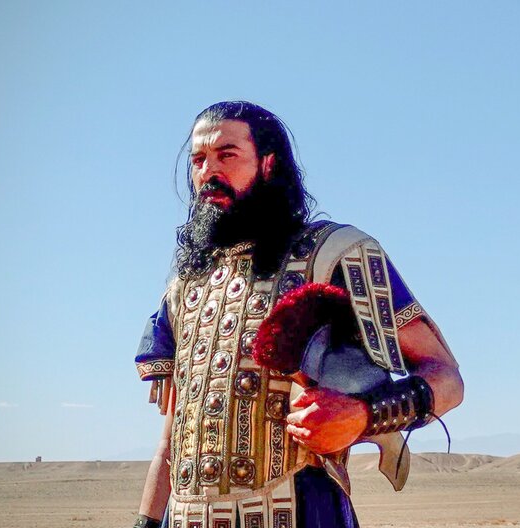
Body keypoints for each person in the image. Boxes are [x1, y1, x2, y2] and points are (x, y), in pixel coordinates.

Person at [133, 101, 464, 528]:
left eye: (226, 155)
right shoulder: (185, 287)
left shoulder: (336, 254)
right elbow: (173, 436)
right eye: (198, 160)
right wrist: (146, 522)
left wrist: (363, 415)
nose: (208, 172)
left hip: (303, 511)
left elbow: (447, 380)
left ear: (269, 164)